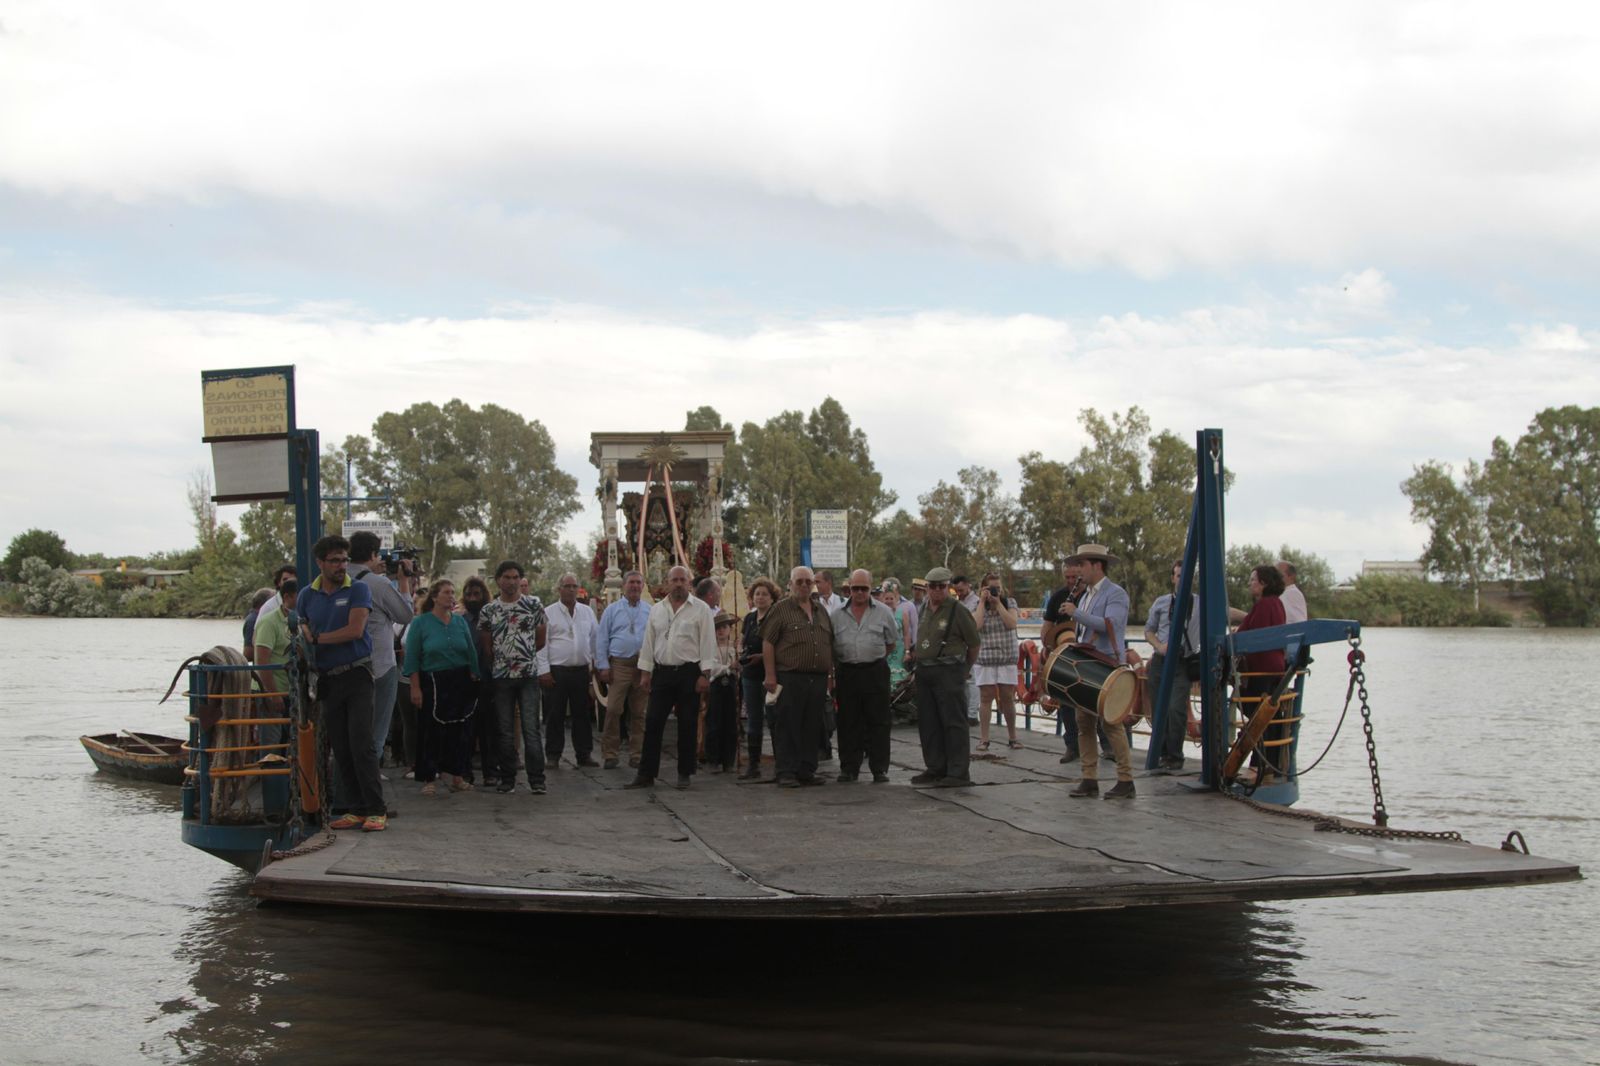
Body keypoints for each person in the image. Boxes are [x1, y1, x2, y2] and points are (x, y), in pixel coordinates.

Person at [297, 536, 387, 831]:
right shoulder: (306, 596)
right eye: (334, 560)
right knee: (341, 745)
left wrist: (318, 638)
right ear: (320, 563)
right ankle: (355, 808)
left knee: (361, 742)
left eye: (344, 560)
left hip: (357, 673)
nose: (341, 566)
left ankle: (376, 809)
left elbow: (355, 629)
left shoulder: (358, 589)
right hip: (327, 677)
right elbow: (302, 629)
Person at [1056, 544, 1136, 799]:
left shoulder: (1116, 594)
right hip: (1088, 663)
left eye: (1083, 564)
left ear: (1097, 566)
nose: (1079, 570)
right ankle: (1089, 778)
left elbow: (1109, 625)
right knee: (1084, 723)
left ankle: (1126, 780)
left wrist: (1075, 613)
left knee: (1111, 723)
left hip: (1106, 665)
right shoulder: (1087, 593)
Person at [628, 565, 718, 790]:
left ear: (689, 583)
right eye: (674, 580)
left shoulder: (701, 609)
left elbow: (708, 642)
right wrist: (646, 672)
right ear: (667, 583)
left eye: (682, 580)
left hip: (690, 672)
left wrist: (705, 674)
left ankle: (684, 773)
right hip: (662, 673)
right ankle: (646, 774)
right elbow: (649, 642)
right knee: (653, 721)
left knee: (687, 723)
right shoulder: (657, 610)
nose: (678, 584)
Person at [761, 566, 836, 788]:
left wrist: (830, 676)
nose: (804, 585)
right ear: (790, 584)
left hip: (817, 678)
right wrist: (770, 674)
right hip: (790, 677)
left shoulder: (821, 611)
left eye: (808, 581)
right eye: (799, 581)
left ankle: (806, 770)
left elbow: (828, 643)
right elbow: (768, 642)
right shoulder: (781, 609)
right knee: (788, 725)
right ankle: (786, 771)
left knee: (812, 725)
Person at [405, 579, 481, 796]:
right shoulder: (421, 623)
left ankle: (458, 775)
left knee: (461, 731)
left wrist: (475, 675)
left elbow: (470, 651)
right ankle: (429, 777)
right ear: (435, 596)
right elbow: (413, 657)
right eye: (446, 592)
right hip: (433, 681)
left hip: (460, 680)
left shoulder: (459, 622)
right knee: (431, 730)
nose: (451, 596)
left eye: (452, 592)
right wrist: (415, 687)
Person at [347, 532, 416, 771]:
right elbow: (405, 615)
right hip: (379, 664)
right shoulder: (378, 583)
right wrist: (404, 582)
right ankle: (370, 783)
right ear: (374, 554)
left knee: (351, 731)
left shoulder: (339, 579)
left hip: (345, 665)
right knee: (376, 732)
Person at [478, 560, 547, 794]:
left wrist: (522, 656)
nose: (511, 581)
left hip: (528, 675)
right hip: (501, 676)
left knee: (531, 728)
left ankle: (537, 779)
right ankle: (507, 778)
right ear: (498, 580)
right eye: (506, 577)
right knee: (505, 730)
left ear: (521, 579)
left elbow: (541, 639)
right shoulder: (489, 610)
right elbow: (486, 645)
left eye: (516, 577)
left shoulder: (534, 605)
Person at [910, 567, 982, 788]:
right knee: (929, 723)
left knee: (954, 723)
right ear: (927, 588)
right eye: (933, 586)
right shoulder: (923, 608)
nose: (937, 590)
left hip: (949, 670)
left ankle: (958, 772)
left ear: (948, 587)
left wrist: (964, 668)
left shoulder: (957, 610)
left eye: (942, 586)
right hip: (925, 670)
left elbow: (974, 643)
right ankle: (935, 767)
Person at [831, 568, 898, 783]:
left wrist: (873, 657)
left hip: (875, 671)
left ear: (871, 588)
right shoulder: (836, 615)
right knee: (848, 721)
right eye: (855, 588)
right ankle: (849, 768)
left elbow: (891, 642)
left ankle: (879, 768)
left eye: (864, 588)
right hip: (847, 672)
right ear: (848, 588)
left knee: (878, 721)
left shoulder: (884, 612)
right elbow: (830, 645)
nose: (859, 593)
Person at [1230, 564, 1290, 770]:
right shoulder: (1276, 604)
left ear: (1263, 583)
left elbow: (1256, 636)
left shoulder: (1264, 605)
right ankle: (1266, 764)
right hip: (1274, 668)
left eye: (1253, 579)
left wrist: (1235, 637)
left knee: (1257, 714)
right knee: (1267, 717)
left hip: (1262, 669)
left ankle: (1261, 764)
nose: (1249, 583)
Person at [537, 573, 599, 768]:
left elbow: (595, 639)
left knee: (582, 714)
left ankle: (584, 754)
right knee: (555, 714)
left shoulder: (587, 612)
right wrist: (544, 671)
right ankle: (554, 755)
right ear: (559, 589)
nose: (571, 590)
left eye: (574, 586)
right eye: (567, 586)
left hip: (581, 670)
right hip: (557, 671)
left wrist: (595, 665)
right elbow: (542, 644)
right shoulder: (548, 612)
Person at [1145, 560, 1199, 773]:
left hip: (1183, 662)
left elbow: (1223, 611)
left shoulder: (1199, 603)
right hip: (1160, 661)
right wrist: (1159, 646)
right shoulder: (1161, 602)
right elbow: (1149, 630)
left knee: (1176, 709)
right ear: (1172, 578)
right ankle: (1162, 753)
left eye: (1184, 576)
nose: (1180, 580)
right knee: (1159, 709)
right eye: (1177, 575)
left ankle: (1175, 756)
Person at [595, 570, 650, 770]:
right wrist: (603, 666)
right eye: (631, 582)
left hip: (642, 665)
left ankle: (637, 754)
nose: (635, 586)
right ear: (624, 586)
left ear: (642, 586)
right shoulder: (612, 610)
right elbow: (601, 638)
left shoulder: (649, 610)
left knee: (639, 712)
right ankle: (610, 753)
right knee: (613, 710)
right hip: (620, 664)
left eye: (638, 583)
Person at [1041, 556, 1087, 762]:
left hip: (1087, 654)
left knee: (1091, 702)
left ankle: (1106, 745)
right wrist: (1047, 643)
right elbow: (1048, 623)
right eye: (1067, 576)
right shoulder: (1059, 596)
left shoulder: (1090, 595)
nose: (1071, 580)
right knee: (1066, 700)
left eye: (1074, 576)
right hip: (1064, 654)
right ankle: (1072, 746)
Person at [738, 577, 781, 780]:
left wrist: (763, 657)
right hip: (750, 675)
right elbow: (743, 641)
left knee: (774, 718)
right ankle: (753, 765)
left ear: (772, 598)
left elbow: (781, 647)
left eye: (765, 594)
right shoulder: (749, 619)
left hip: (770, 673)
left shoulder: (776, 618)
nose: (760, 597)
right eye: (757, 594)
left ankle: (781, 764)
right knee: (753, 719)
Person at [972, 571, 1021, 751]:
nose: (995, 591)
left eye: (997, 588)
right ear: (983, 588)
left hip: (1006, 656)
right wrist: (983, 602)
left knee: (1008, 697)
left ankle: (1013, 737)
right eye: (991, 588)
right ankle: (984, 739)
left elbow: (1011, 623)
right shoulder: (978, 605)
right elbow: (975, 626)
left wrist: (998, 603)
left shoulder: (1010, 603)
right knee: (986, 698)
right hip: (985, 657)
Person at [251, 579, 298, 750]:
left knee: (290, 739)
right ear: (287, 597)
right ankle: (270, 775)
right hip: (271, 689)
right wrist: (273, 694)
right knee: (272, 741)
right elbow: (261, 660)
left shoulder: (299, 621)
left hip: (290, 691)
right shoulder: (269, 622)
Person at [703, 612, 741, 773]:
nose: (721, 631)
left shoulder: (734, 647)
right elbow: (711, 669)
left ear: (729, 629)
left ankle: (728, 760)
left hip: (731, 686)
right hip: (716, 686)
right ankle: (713, 759)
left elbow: (740, 667)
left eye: (724, 627)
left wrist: (736, 667)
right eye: (718, 628)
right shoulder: (710, 647)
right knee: (714, 722)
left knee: (731, 723)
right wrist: (727, 668)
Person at [245, 564, 297, 658]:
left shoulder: (300, 603)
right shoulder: (269, 607)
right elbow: (256, 639)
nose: (289, 582)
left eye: (293, 580)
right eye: (285, 580)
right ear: (278, 583)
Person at [952, 575, 981, 723]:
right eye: (956, 590)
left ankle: (972, 714)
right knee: (964, 680)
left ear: (968, 585)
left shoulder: (976, 602)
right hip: (961, 646)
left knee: (973, 680)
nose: (959, 593)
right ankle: (965, 711)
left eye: (961, 590)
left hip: (973, 644)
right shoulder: (959, 602)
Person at [880, 577, 917, 688]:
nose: (889, 601)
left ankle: (897, 698)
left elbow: (906, 633)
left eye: (891, 598)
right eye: (886, 598)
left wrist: (907, 651)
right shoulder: (879, 614)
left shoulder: (903, 613)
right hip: (883, 649)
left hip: (899, 649)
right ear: (882, 599)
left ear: (896, 599)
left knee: (898, 675)